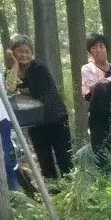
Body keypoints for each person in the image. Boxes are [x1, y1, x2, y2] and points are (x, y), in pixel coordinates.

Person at [10, 34, 73, 180]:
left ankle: (71, 192)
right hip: (36, 122)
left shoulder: (38, 68)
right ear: (13, 53)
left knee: (64, 159)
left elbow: (41, 93)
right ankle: (53, 192)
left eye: (27, 51)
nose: (24, 55)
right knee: (45, 161)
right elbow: (10, 88)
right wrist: (14, 65)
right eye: (20, 51)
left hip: (55, 119)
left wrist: (25, 91)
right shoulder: (14, 71)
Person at [81, 34, 111, 170]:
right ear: (90, 52)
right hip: (98, 115)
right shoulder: (88, 68)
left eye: (101, 46)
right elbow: (94, 89)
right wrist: (110, 84)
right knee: (101, 152)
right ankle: (104, 183)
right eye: (94, 48)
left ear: (106, 49)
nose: (98, 50)